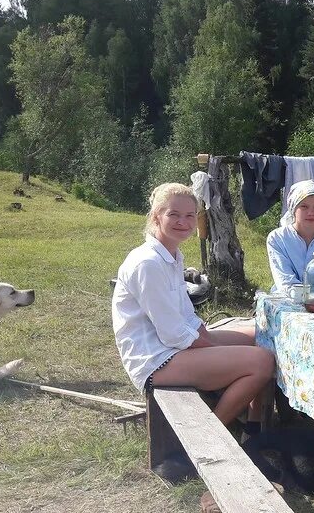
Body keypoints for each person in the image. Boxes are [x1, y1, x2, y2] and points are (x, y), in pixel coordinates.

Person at [112, 183, 276, 478]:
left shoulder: (171, 255)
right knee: (262, 361)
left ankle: (253, 430)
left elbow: (186, 315)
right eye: (174, 214)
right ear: (156, 216)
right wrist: (216, 347)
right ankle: (205, 443)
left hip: (174, 344)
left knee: (258, 334)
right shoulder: (147, 263)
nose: (183, 222)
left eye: (190, 216)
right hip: (155, 359)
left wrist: (210, 337)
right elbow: (172, 333)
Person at [266, 181, 314, 293]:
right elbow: (285, 281)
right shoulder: (277, 239)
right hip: (287, 298)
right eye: (304, 207)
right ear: (293, 209)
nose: (311, 212)